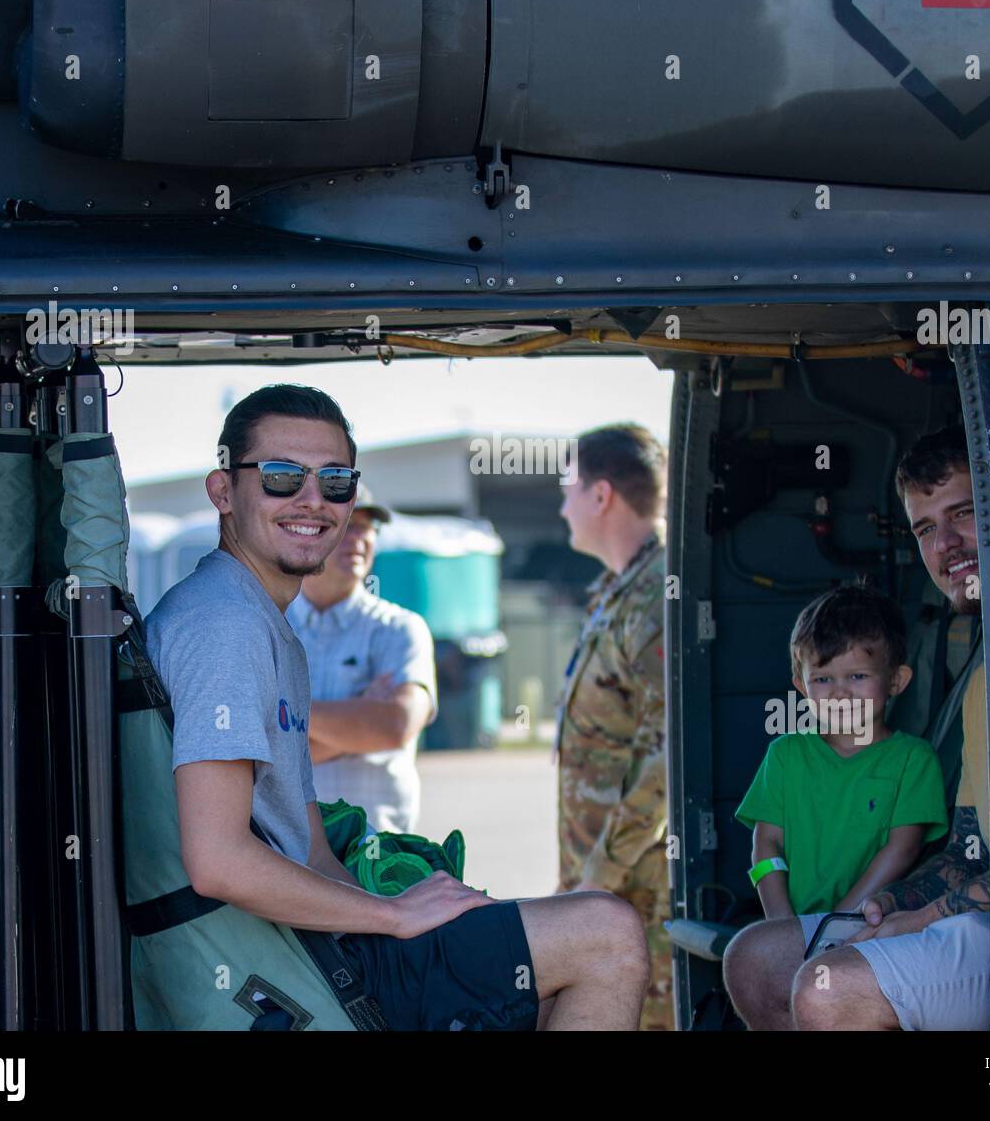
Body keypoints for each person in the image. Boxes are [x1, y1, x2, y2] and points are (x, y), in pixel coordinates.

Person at [145, 384, 649, 1030]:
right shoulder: (225, 624)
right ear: (222, 491)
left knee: (539, 976)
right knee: (604, 931)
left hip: (309, 943)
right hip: (273, 965)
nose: (312, 500)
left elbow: (315, 852)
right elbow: (218, 860)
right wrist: (394, 916)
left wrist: (405, 905)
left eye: (335, 481)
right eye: (280, 477)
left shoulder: (265, 626)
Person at [724, 424, 990, 1030]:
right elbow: (969, 852)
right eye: (925, 528)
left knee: (824, 988)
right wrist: (890, 907)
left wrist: (897, 918)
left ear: (895, 681)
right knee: (754, 959)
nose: (946, 543)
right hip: (953, 913)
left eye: (966, 513)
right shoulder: (983, 681)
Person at [738, 585, 948, 923]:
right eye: (822, 679)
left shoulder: (915, 760)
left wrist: (835, 924)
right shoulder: (784, 755)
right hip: (791, 924)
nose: (840, 693)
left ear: (896, 680)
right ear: (802, 687)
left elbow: (903, 849)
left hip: (872, 927)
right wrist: (782, 923)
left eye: (858, 676)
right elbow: (766, 845)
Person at [556, 423, 673, 1030]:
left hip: (638, 889)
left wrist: (600, 873)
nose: (562, 505)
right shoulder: (615, 591)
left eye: (569, 489)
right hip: (605, 886)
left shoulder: (654, 595)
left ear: (602, 496)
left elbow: (664, 758)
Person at [287, 483, 436, 833]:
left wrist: (285, 715)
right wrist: (356, 719)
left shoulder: (400, 629)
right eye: (346, 525)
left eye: (366, 528)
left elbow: (394, 724)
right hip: (289, 857)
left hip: (379, 857)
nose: (358, 538)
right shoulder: (270, 627)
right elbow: (256, 755)